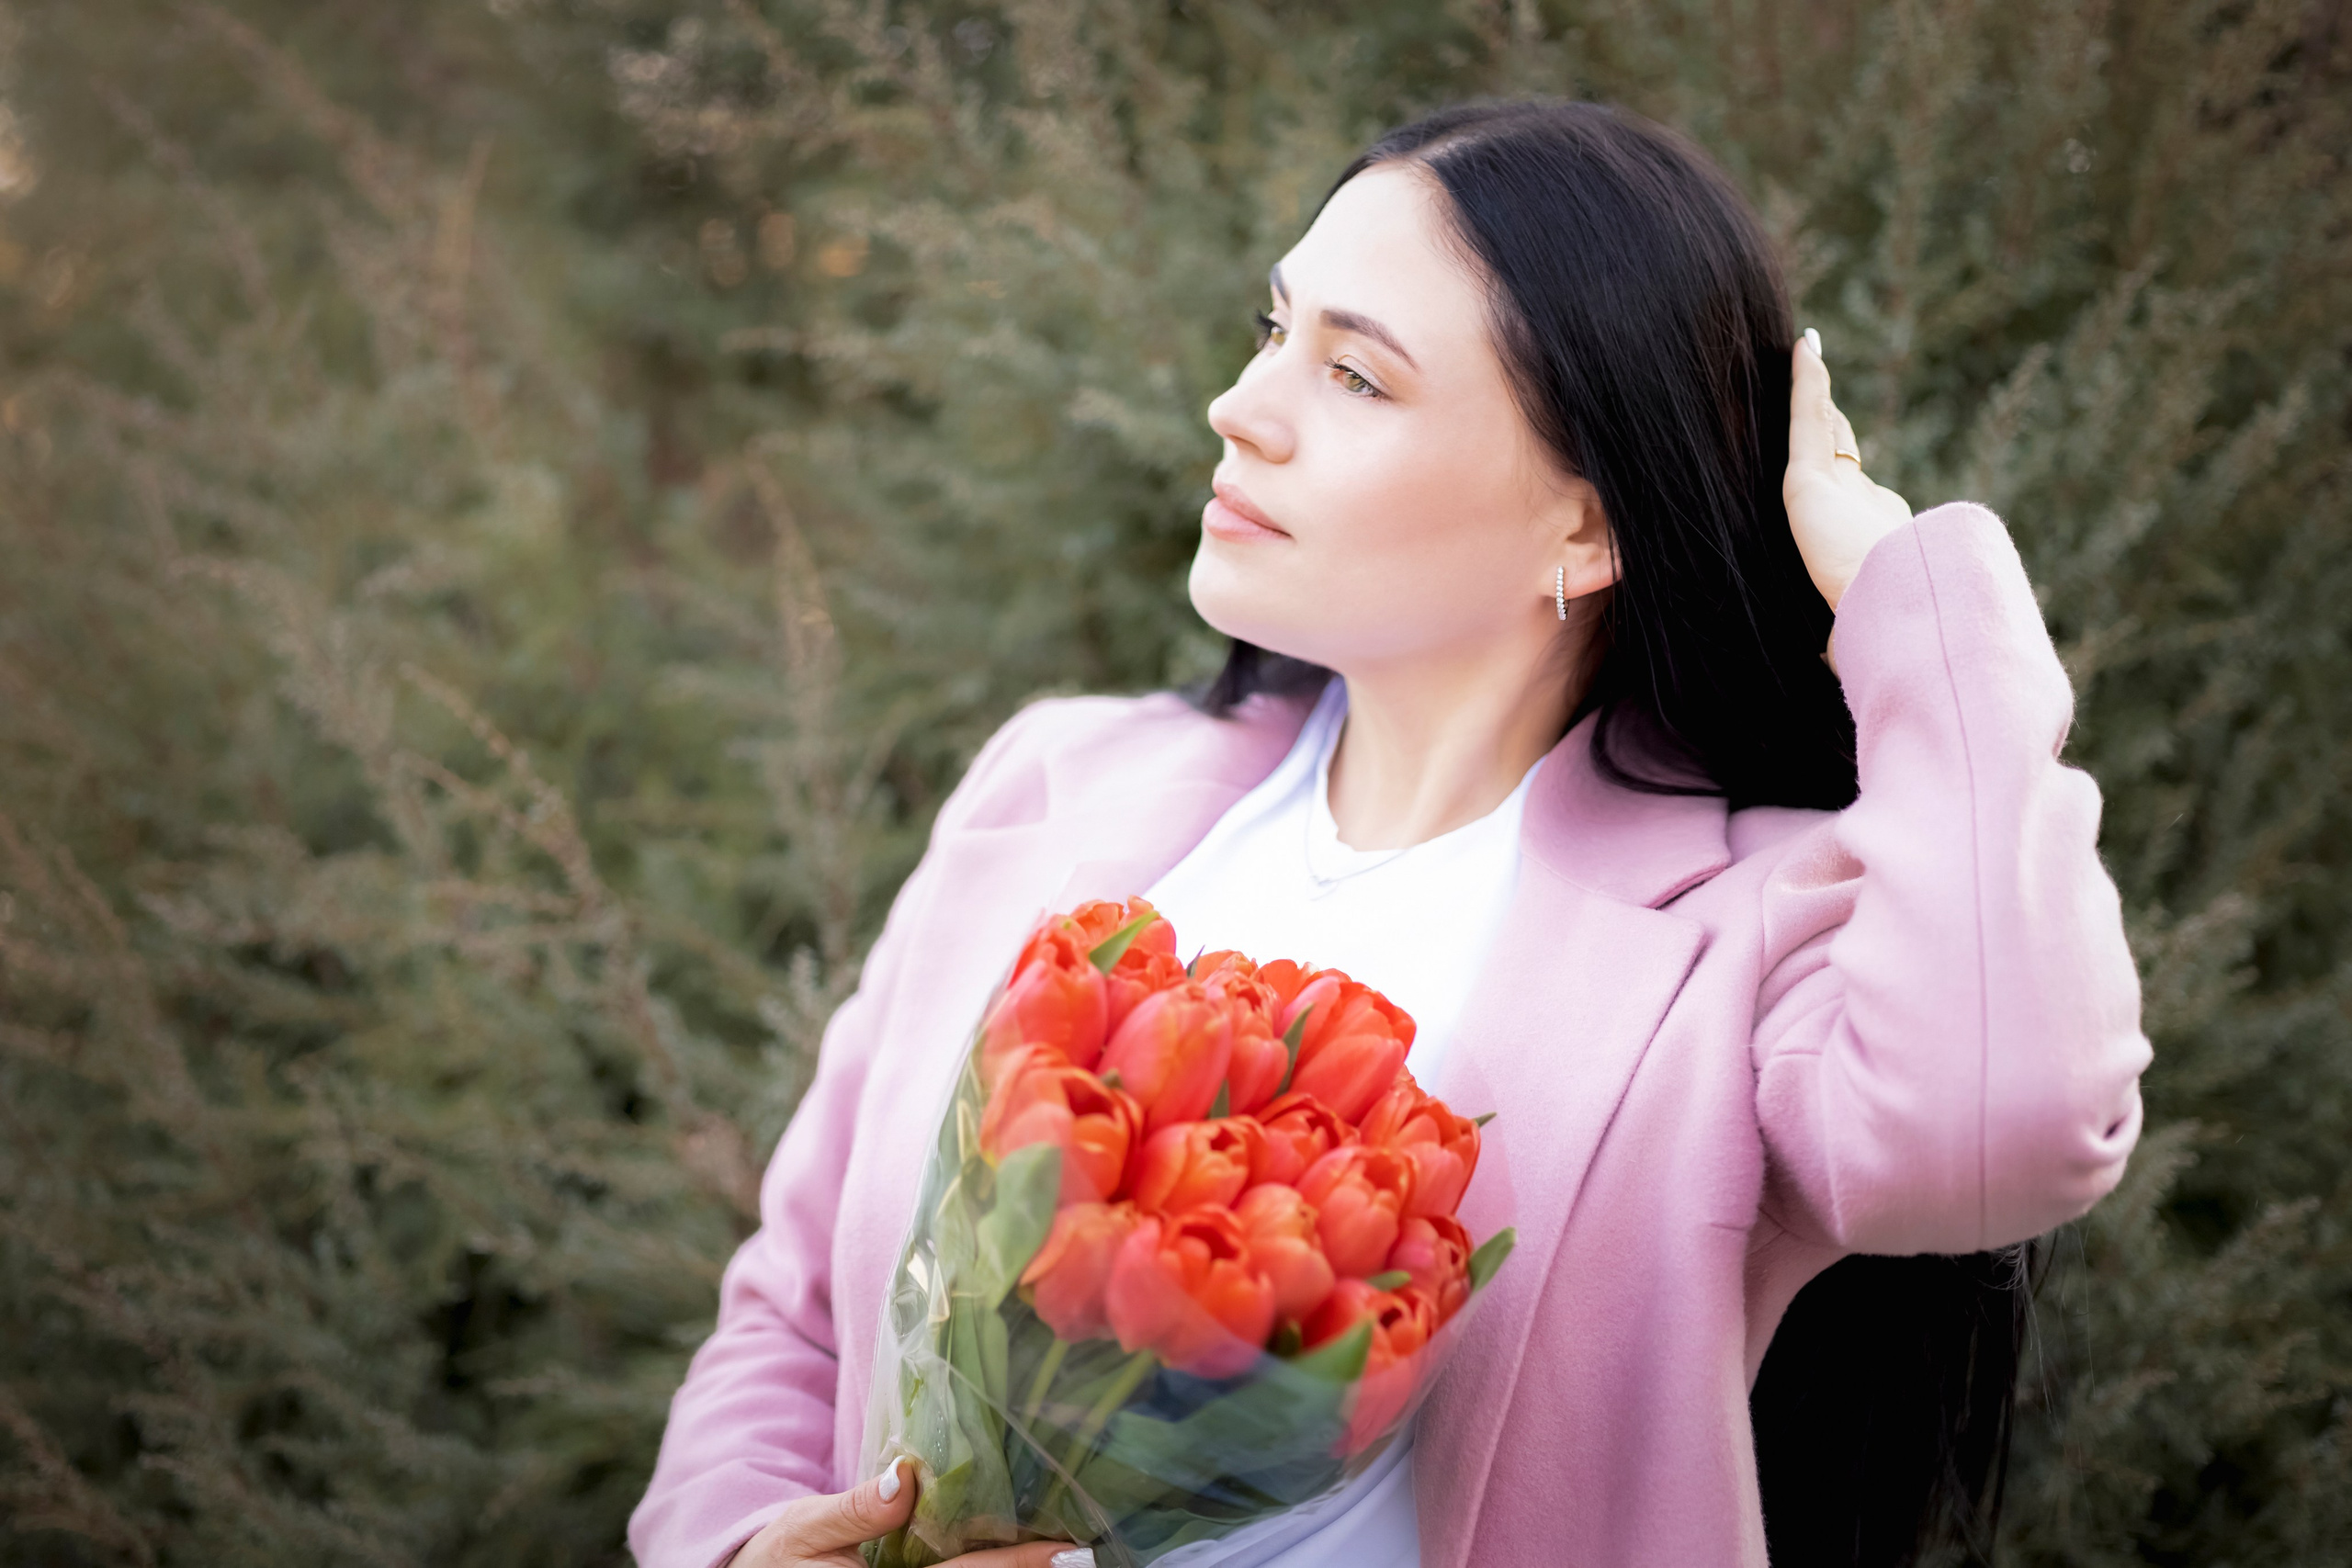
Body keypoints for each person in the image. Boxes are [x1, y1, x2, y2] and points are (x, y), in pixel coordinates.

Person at [628, 100, 2150, 1568]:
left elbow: (2004, 1118)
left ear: (1587, 528)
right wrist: (760, 1549)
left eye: (1356, 376)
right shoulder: (1057, 791)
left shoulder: (1740, 943)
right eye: (1272, 330)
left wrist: (1913, 605)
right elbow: (794, 1316)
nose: (1243, 407)